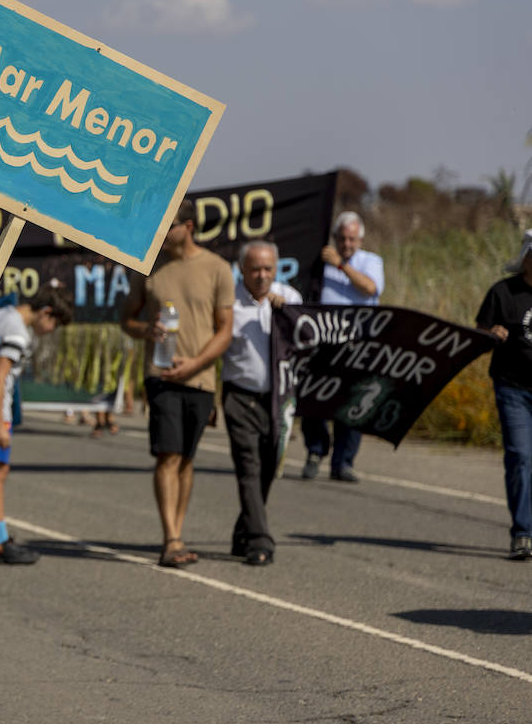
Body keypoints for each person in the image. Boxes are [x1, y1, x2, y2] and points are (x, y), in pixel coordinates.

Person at [121, 200, 234, 568]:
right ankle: (170, 538)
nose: (160, 233)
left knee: (186, 458)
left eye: (167, 226)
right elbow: (127, 319)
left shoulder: (217, 269)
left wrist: (196, 364)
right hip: (161, 377)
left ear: (188, 226)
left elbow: (225, 331)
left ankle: (178, 532)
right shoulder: (149, 268)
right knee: (168, 455)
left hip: (199, 379)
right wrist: (145, 330)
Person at [0, 285, 73, 565]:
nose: (51, 330)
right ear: (46, 312)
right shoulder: (18, 332)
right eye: (54, 323)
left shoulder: (1, 312)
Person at [221, 240, 302, 567]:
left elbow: (308, 341)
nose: (262, 275)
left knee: (269, 468)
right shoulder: (229, 303)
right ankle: (259, 540)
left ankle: (243, 531)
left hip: (278, 399)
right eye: (255, 269)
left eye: (268, 268)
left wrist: (290, 315)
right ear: (242, 269)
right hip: (240, 396)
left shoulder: (289, 297)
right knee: (248, 468)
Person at [302, 210, 385, 483]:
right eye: (342, 238)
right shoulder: (321, 260)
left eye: (351, 239)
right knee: (314, 398)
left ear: (360, 240)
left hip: (358, 342)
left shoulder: (369, 261)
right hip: (322, 340)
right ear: (335, 237)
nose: (346, 244)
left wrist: (341, 266)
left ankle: (343, 462)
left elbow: (370, 288)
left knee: (352, 403)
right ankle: (316, 450)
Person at [476, 229, 532, 560]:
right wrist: (490, 333)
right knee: (521, 457)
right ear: (527, 257)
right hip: (512, 388)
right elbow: (478, 331)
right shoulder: (503, 292)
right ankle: (523, 532)